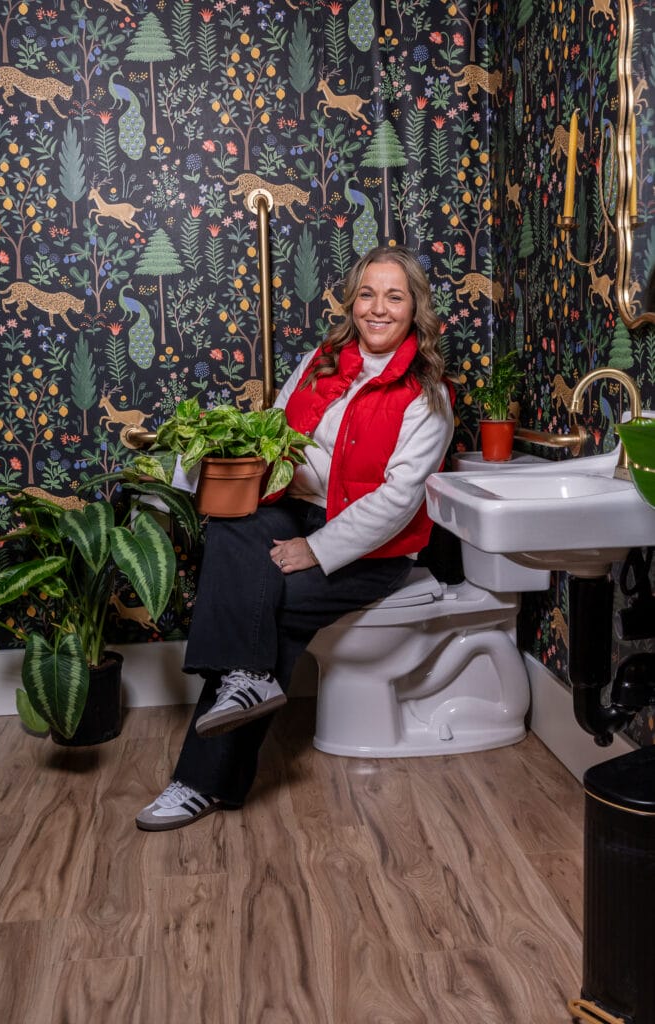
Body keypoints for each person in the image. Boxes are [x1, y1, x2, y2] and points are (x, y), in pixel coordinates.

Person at [136, 245, 454, 831]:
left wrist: (320, 548)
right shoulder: (321, 360)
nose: (378, 309)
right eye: (367, 293)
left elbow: (397, 501)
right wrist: (199, 468)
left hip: (369, 549)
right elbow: (277, 436)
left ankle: (197, 784)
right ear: (351, 301)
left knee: (264, 612)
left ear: (415, 309)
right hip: (298, 511)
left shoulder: (428, 396)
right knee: (233, 527)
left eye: (394, 296)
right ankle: (245, 684)